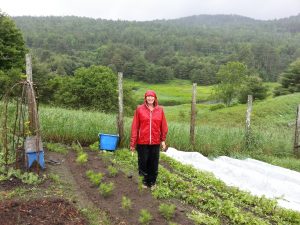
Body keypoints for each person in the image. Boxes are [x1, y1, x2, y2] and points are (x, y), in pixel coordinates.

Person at [130, 90, 168, 189]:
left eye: (152, 96)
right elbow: (135, 127)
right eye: (148, 96)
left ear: (155, 98)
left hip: (155, 142)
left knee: (154, 162)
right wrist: (133, 144)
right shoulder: (139, 109)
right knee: (143, 162)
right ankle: (144, 181)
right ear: (145, 98)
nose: (150, 98)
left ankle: (152, 182)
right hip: (142, 142)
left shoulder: (160, 110)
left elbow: (163, 126)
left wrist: (163, 140)